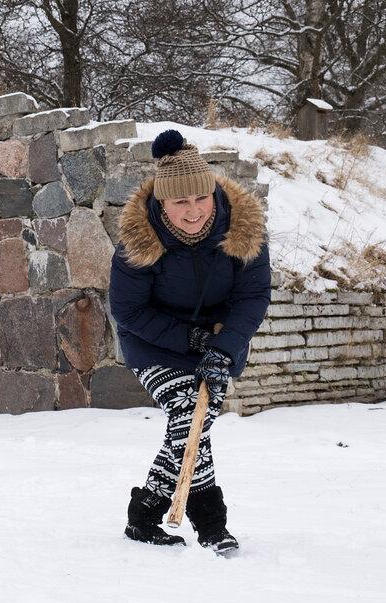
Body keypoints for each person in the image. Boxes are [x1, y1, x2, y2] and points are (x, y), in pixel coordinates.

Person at [108, 129, 271, 556]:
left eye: (201, 198)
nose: (194, 211)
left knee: (193, 423)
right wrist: (188, 336)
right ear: (163, 203)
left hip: (219, 343)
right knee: (187, 411)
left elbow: (252, 296)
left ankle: (145, 511)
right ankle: (211, 523)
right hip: (154, 342)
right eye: (181, 202)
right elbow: (129, 312)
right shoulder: (139, 241)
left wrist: (223, 348)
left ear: (214, 194)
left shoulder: (243, 230)